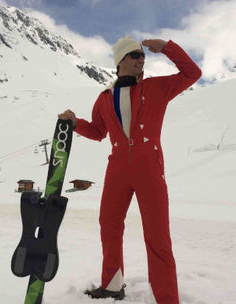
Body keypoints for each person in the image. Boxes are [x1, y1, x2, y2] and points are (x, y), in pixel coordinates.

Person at [58, 35, 201, 304]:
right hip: (117, 168)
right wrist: (76, 123)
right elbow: (99, 131)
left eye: (142, 55)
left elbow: (193, 73)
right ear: (120, 61)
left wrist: (168, 49)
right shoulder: (104, 97)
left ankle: (166, 298)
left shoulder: (159, 87)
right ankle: (112, 285)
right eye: (134, 55)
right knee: (109, 227)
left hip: (149, 166)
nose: (141, 59)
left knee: (157, 235)